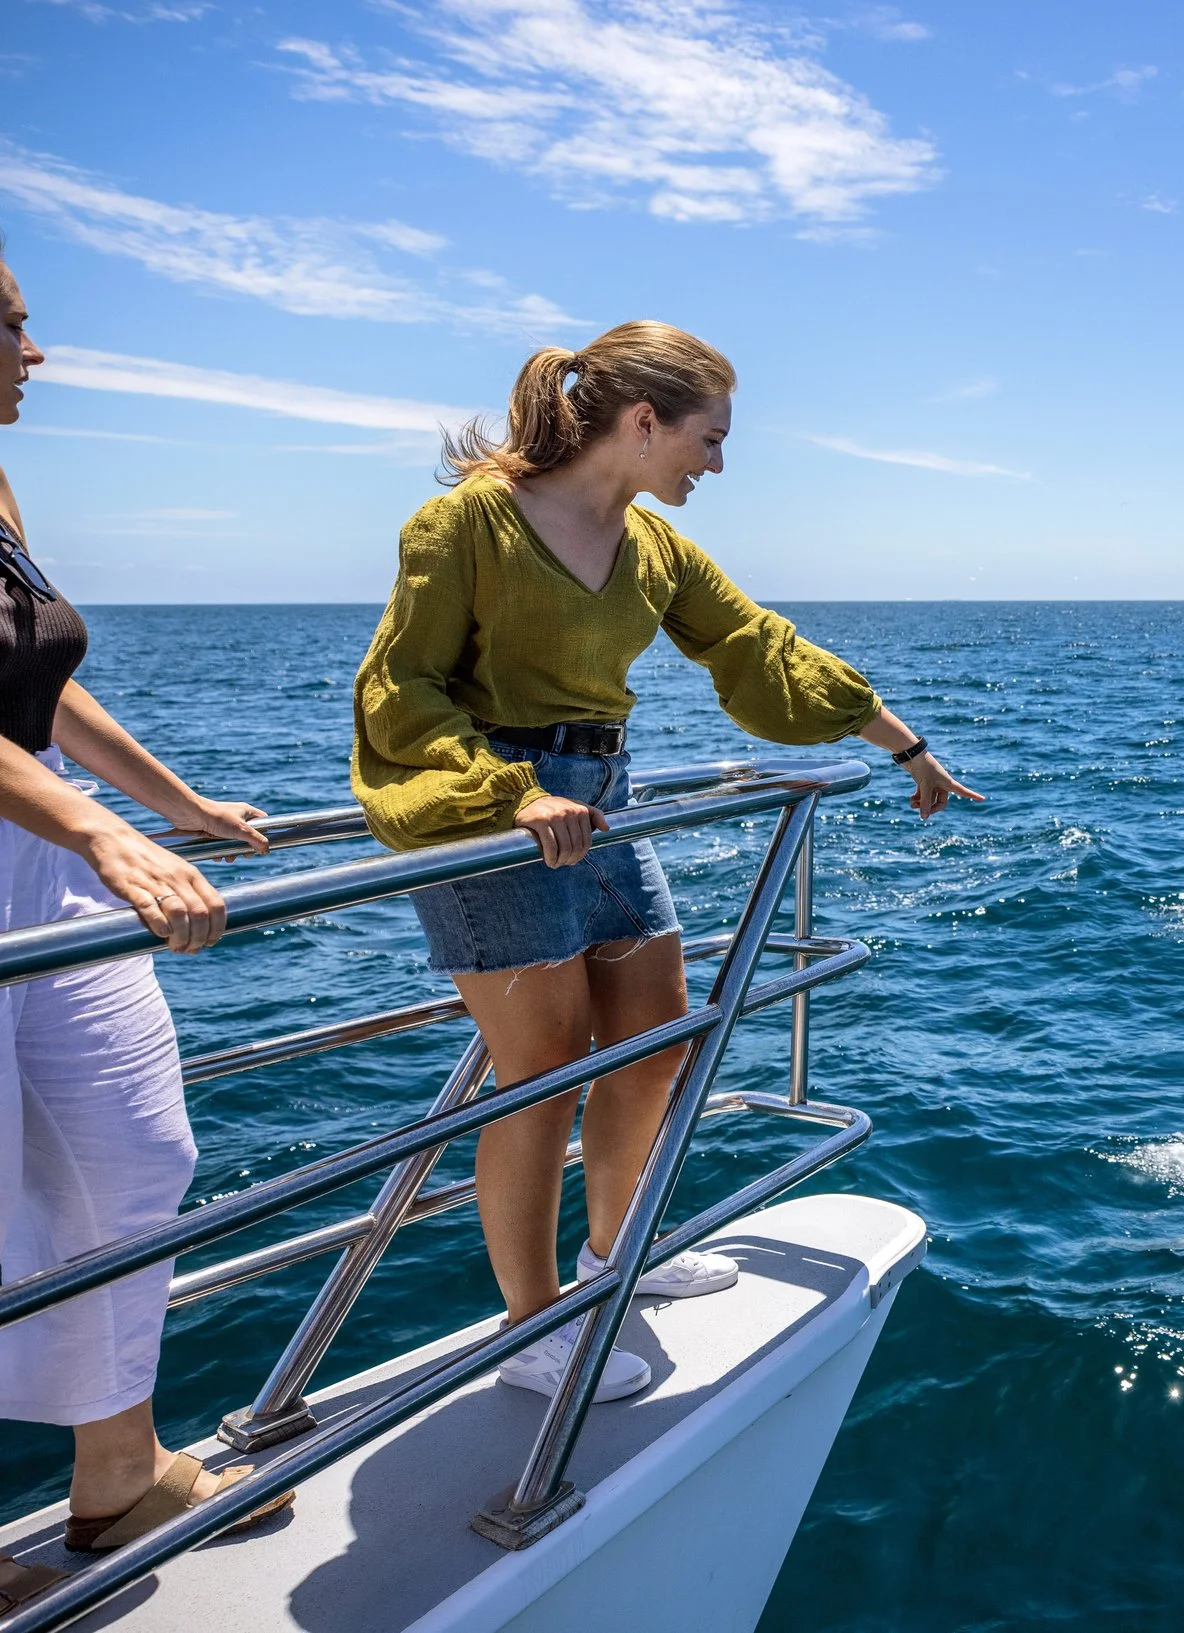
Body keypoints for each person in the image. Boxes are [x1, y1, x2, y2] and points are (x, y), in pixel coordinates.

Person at [352, 320, 978, 1405]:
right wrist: (514, 792)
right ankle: (529, 1325)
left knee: (654, 1041)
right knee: (540, 1080)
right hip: (492, 821)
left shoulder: (653, 546)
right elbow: (400, 693)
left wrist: (905, 745)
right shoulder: (465, 525)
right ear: (644, 423)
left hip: (607, 808)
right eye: (709, 438)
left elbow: (758, 646)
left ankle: (613, 1254)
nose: (717, 464)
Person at [0, 247, 286, 1606]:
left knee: (134, 1153)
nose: (35, 354)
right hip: (52, 843)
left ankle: (117, 1475)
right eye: (13, 326)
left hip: (38, 851)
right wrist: (102, 834)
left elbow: (31, 688)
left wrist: (172, 805)